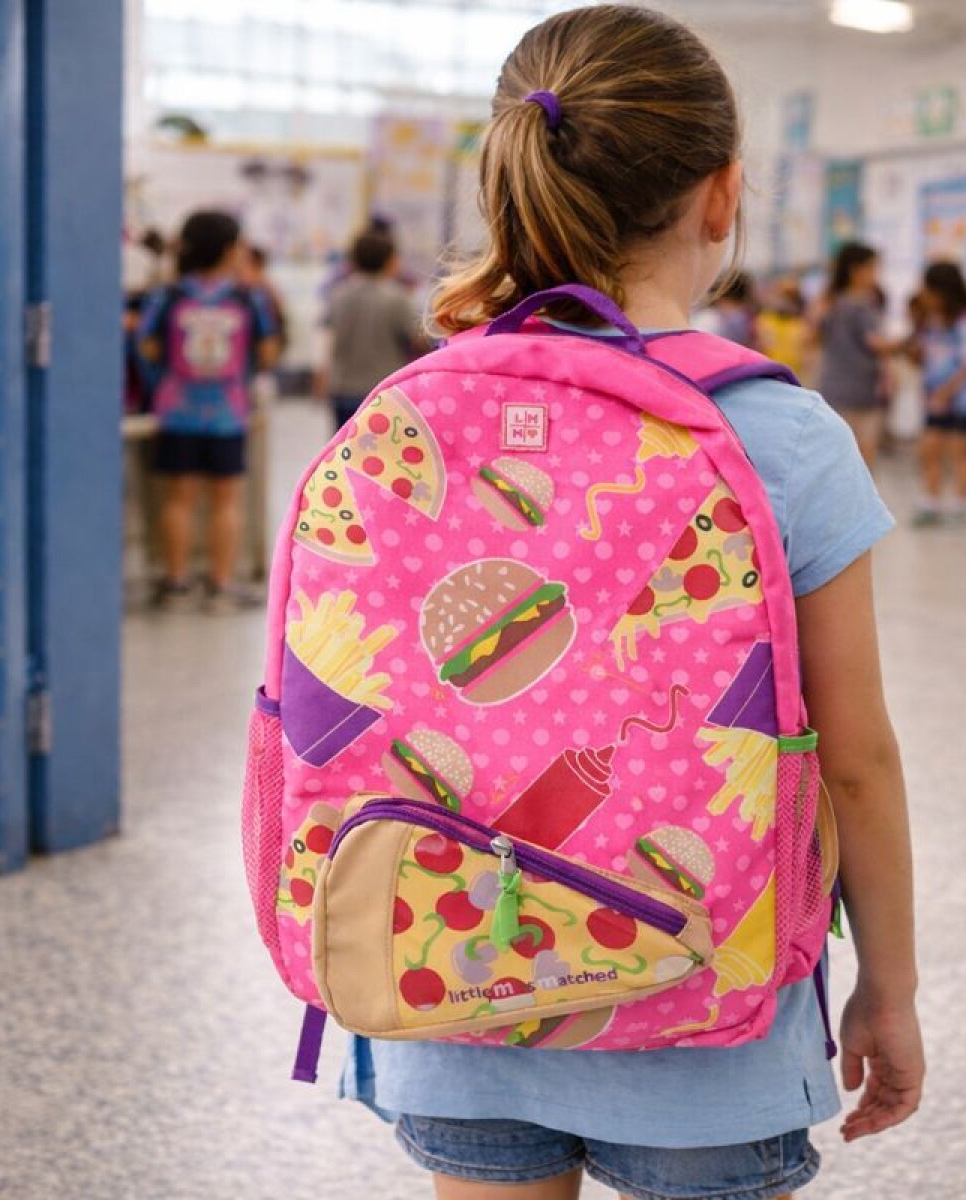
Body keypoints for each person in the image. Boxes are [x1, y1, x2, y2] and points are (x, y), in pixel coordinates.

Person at [339, 8, 924, 1200]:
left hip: (456, 988)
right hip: (709, 1010)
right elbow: (854, 758)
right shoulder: (785, 436)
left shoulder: (410, 414)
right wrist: (891, 991)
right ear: (723, 196)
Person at [138, 210, 279, 612]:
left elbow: (147, 344)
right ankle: (220, 584)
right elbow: (268, 350)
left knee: (178, 499)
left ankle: (177, 581)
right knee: (225, 500)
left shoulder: (170, 295)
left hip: (176, 408)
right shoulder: (246, 298)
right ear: (229, 249)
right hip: (227, 412)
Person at [324, 229, 428, 431]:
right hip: (381, 390)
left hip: (341, 387)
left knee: (345, 449)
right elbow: (419, 340)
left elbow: (329, 338)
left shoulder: (339, 295)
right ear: (389, 261)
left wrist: (322, 377)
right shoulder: (397, 298)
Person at [913, 260, 966, 525]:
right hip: (935, 397)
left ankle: (960, 503)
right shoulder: (932, 321)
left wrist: (947, 391)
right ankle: (930, 500)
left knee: (959, 450)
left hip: (959, 398)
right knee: (929, 448)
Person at [817, 243, 900, 470]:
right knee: (864, 452)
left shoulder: (828, 302)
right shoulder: (861, 305)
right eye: (873, 268)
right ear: (856, 270)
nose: (876, 274)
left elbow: (812, 336)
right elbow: (875, 343)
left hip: (834, 386)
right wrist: (907, 343)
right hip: (862, 389)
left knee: (837, 454)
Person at [756, 275, 812, 377]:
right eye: (783, 295)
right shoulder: (765, 320)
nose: (786, 300)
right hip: (769, 375)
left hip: (794, 376)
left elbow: (806, 356)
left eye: (791, 296)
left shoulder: (801, 324)